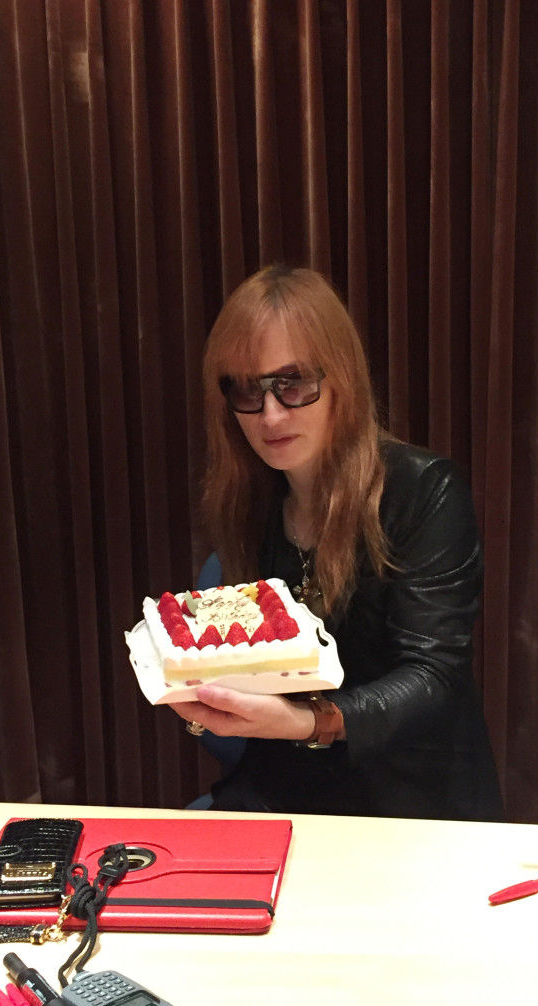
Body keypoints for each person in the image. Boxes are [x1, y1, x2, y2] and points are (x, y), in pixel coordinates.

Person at [172, 264, 504, 820]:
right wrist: (201, 692)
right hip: (283, 790)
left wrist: (309, 723)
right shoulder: (250, 502)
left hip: (413, 801)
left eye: (293, 383)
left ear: (341, 380)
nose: (270, 414)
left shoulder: (423, 490)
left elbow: (433, 677)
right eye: (247, 390)